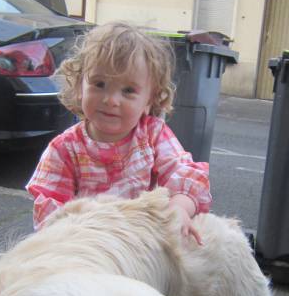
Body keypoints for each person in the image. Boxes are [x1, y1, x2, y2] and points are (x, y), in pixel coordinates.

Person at [26, 21, 211, 243]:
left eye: (128, 90)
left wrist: (179, 208)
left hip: (141, 244)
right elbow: (51, 216)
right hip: (89, 244)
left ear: (149, 100)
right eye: (99, 84)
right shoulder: (64, 149)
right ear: (79, 86)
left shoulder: (152, 134)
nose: (111, 100)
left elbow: (184, 173)